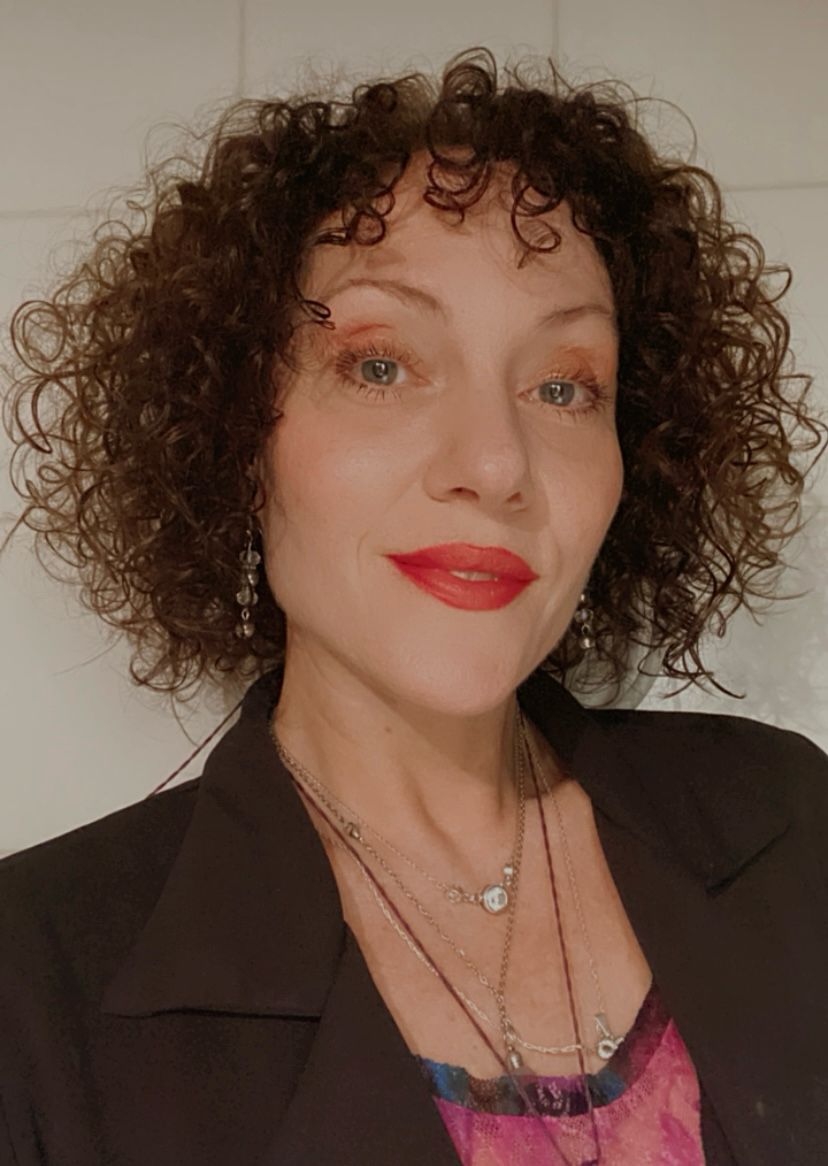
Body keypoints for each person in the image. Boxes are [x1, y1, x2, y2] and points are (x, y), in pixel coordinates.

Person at [1, 45, 826, 1166]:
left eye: (563, 385)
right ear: (236, 435)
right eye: (382, 365)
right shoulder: (35, 984)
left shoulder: (792, 825)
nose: (496, 463)